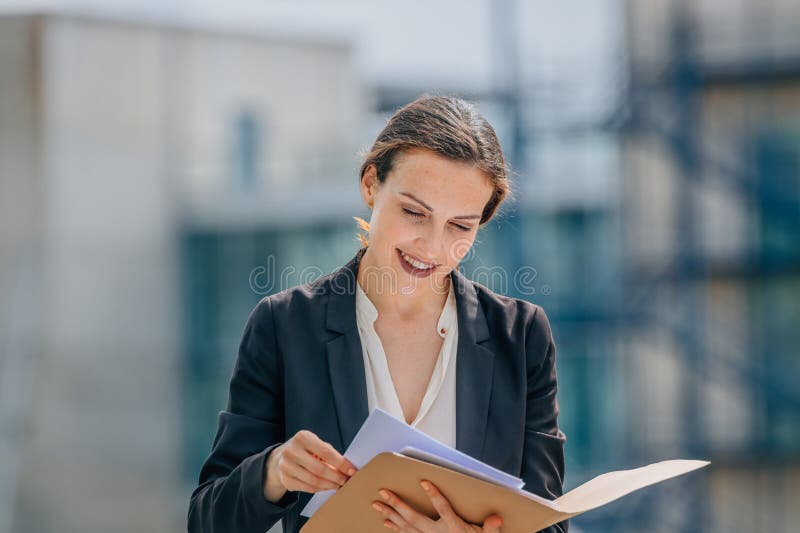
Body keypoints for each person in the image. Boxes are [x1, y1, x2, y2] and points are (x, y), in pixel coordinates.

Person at [187, 95, 568, 533]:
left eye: (460, 226)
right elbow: (207, 521)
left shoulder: (521, 337)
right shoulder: (285, 326)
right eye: (414, 212)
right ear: (371, 184)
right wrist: (273, 472)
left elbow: (549, 524)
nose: (432, 246)